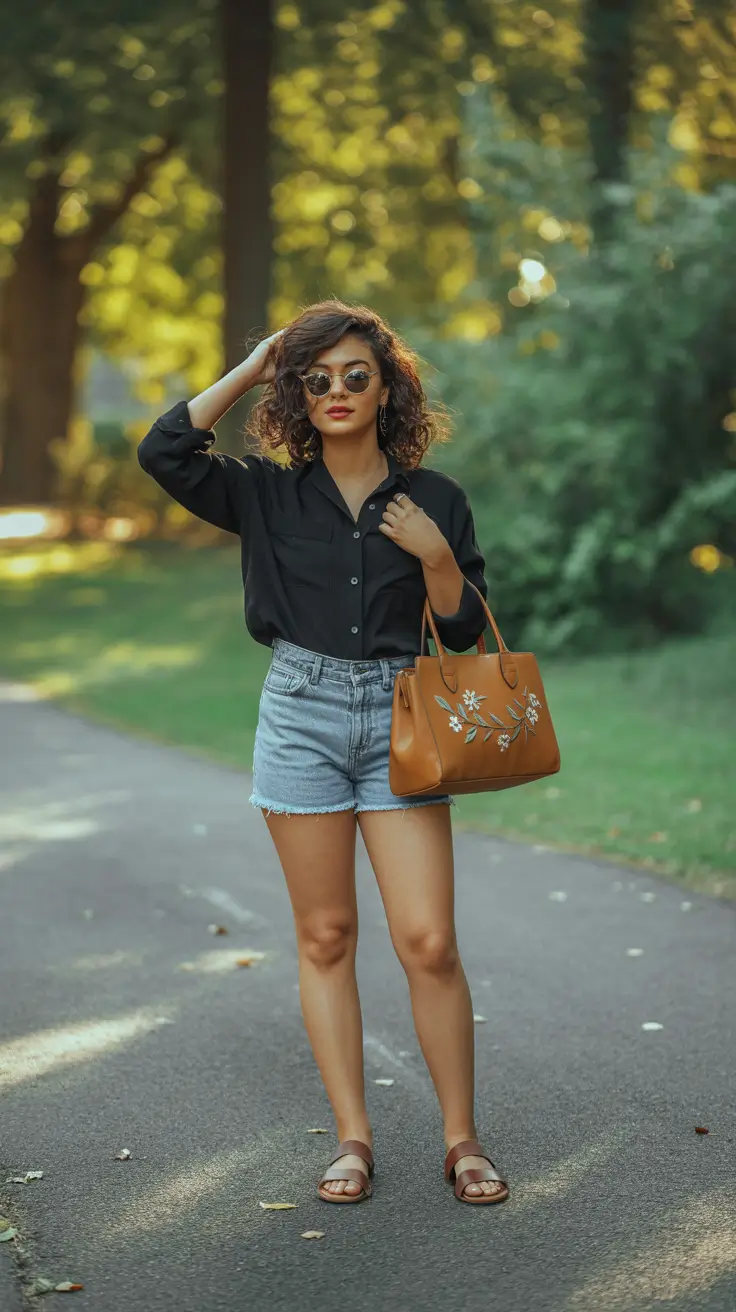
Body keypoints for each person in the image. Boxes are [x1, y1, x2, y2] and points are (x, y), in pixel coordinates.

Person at [137, 299, 509, 1207]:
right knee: (327, 935)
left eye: (355, 375)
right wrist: (254, 364)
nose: (336, 389)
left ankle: (462, 1141)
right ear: (296, 393)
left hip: (400, 720)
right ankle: (352, 1139)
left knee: (429, 942)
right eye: (316, 378)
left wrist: (435, 556)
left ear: (387, 390)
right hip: (299, 715)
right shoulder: (263, 493)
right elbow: (164, 452)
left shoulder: (435, 499)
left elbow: (464, 632)